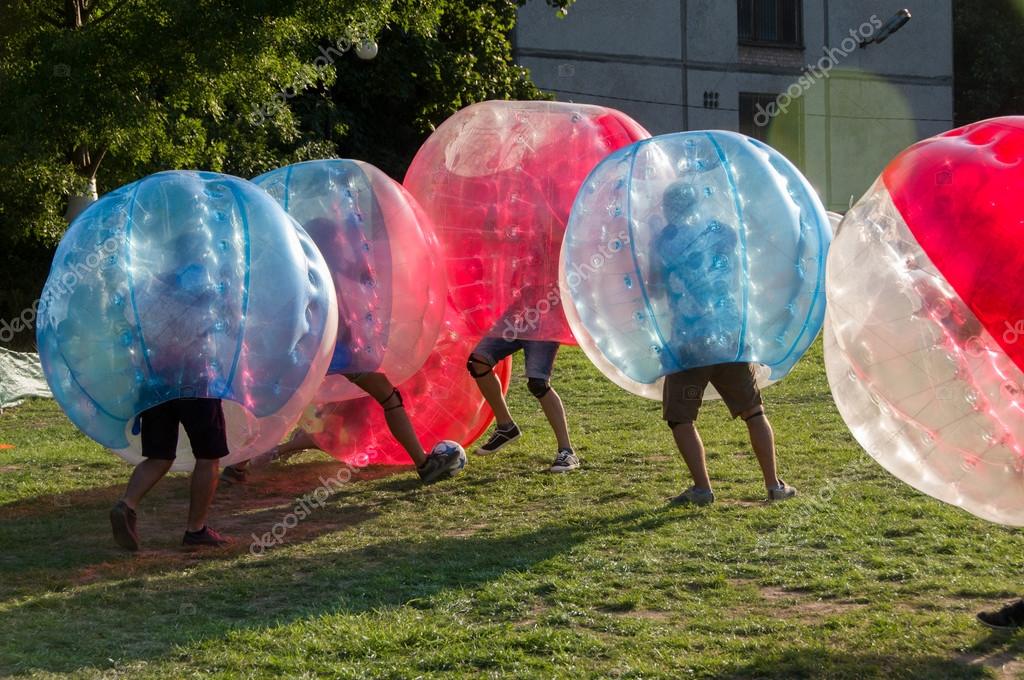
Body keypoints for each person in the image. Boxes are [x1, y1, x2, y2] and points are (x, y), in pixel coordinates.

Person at [656, 180, 795, 505]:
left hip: (690, 343)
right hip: (730, 334)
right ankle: (774, 485)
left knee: (680, 417)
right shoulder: (723, 231)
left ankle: (702, 489)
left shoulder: (665, 241)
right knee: (752, 410)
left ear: (670, 209)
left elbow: (654, 282)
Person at [221, 371, 462, 484]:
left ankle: (241, 463)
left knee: (288, 401)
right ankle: (424, 463)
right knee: (388, 398)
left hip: (319, 342)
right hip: (346, 348)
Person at [109, 398, 231, 551]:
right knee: (208, 457)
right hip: (196, 388)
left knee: (159, 457)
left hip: (157, 389)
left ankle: (126, 505)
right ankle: (196, 531)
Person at [467, 335, 578, 472]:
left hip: (544, 325)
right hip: (515, 320)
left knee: (538, 384)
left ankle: (567, 452)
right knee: (478, 362)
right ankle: (506, 427)